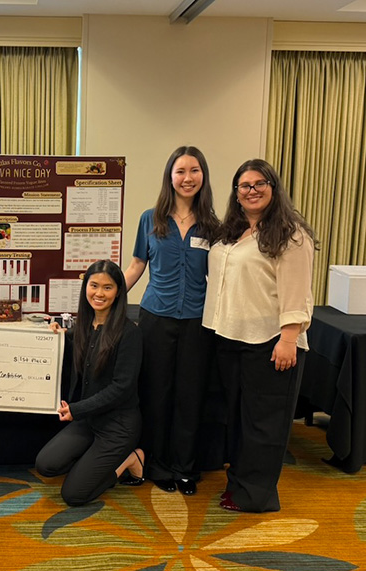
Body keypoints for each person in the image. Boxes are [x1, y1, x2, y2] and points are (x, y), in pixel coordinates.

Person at [203, 158, 317, 513]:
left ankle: (256, 495)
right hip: (230, 336)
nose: (251, 191)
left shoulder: (290, 235)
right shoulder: (231, 233)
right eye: (244, 186)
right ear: (236, 194)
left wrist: (288, 338)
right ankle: (238, 483)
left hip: (271, 341)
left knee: (263, 424)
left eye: (259, 184)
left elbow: (297, 293)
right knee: (237, 419)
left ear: (273, 188)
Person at [122, 145, 220, 495]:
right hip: (155, 318)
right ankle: (159, 465)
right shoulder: (151, 219)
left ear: (203, 177)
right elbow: (136, 266)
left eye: (194, 170)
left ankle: (184, 468)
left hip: (197, 321)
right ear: (170, 176)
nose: (187, 178)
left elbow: (222, 277)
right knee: (157, 393)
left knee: (190, 396)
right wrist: (107, 298)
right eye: (180, 171)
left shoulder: (213, 225)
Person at [35, 259, 144, 507]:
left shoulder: (130, 333)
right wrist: (52, 334)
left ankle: (130, 460)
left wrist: (76, 410)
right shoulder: (82, 326)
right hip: (88, 421)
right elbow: (65, 347)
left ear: (118, 292)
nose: (99, 293)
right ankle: (93, 461)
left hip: (118, 425)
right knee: (46, 465)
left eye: (108, 288)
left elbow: (121, 388)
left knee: (74, 495)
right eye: (94, 285)